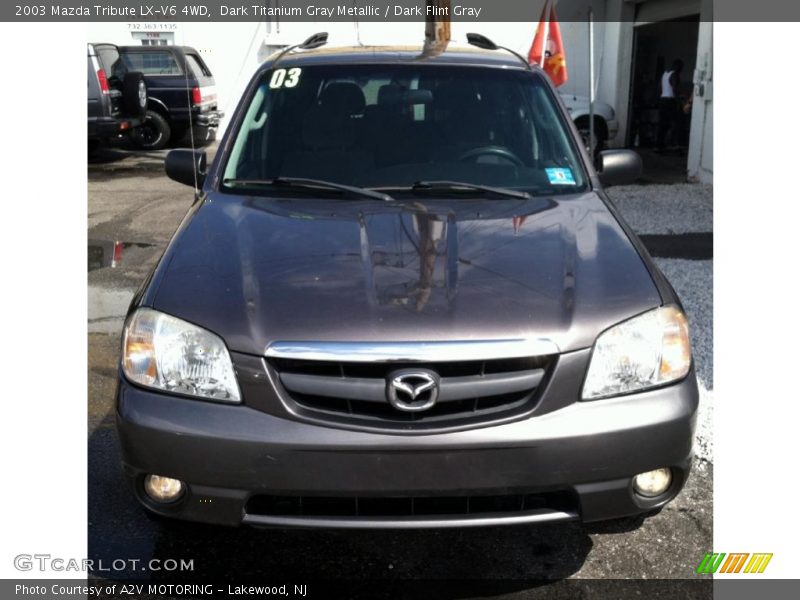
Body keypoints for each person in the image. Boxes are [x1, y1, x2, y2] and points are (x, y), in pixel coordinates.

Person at [657, 59, 683, 152]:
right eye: (681, 67)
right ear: (677, 67)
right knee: (675, 123)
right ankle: (672, 144)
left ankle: (659, 145)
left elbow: (659, 88)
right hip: (670, 101)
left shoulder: (665, 74)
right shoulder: (674, 74)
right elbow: (675, 89)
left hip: (662, 100)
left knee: (662, 124)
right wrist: (679, 102)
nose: (681, 70)